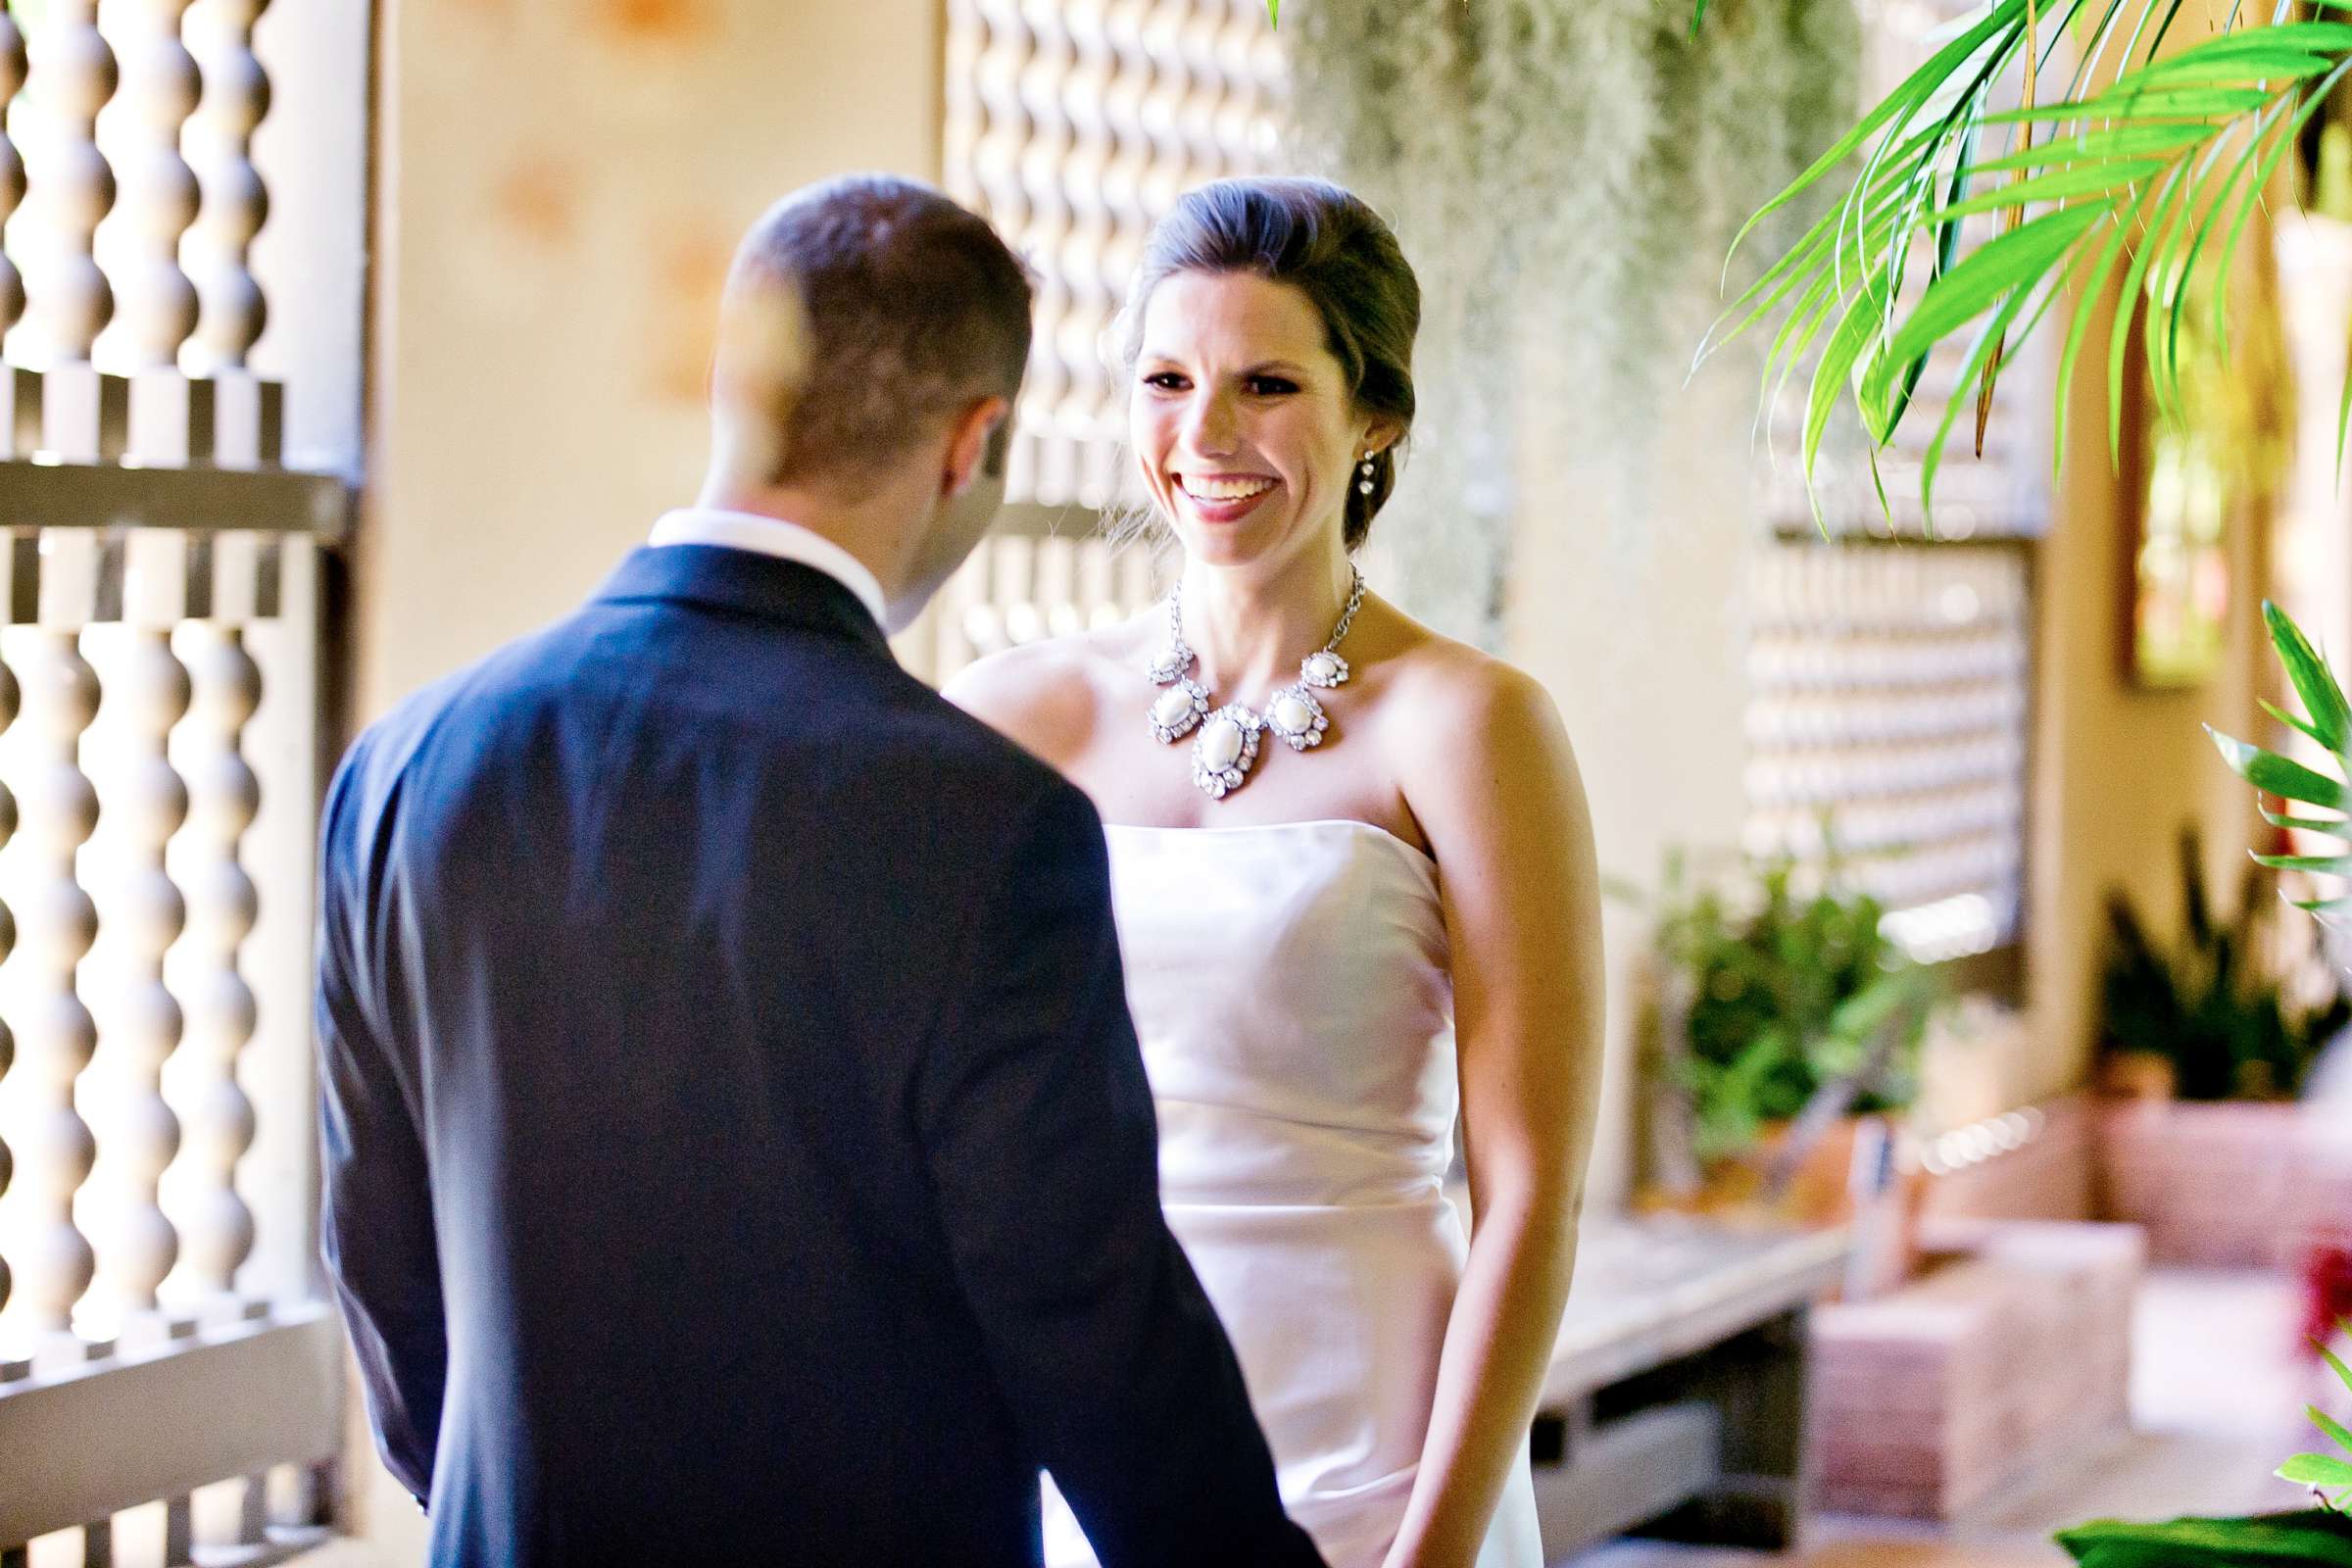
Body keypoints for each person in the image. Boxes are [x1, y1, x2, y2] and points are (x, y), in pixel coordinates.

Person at [316, 173, 1324, 1568]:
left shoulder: (409, 765)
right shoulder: (982, 822)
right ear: (974, 442)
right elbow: (1093, 1332)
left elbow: (383, 1269)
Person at [948, 176, 1605, 1568]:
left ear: (1376, 418)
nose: (1207, 436)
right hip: (1071, 1452)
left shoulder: (1471, 725)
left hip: (1373, 1462)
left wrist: (1434, 1548)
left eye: (1266, 384)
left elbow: (1532, 1192)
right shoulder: (1014, 715)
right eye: (1168, 379)